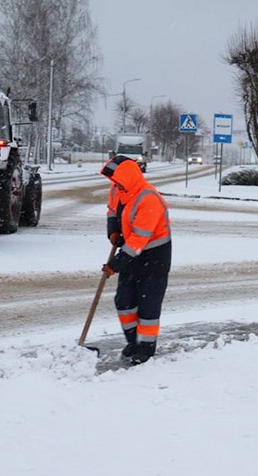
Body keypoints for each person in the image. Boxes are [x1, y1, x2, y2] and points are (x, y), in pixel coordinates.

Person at [99, 156, 172, 365]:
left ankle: (146, 348)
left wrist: (115, 265)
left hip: (154, 254)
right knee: (124, 300)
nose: (114, 183)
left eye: (117, 178)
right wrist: (113, 231)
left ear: (128, 176)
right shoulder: (118, 189)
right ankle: (133, 341)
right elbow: (112, 210)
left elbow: (139, 239)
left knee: (148, 304)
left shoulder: (149, 199)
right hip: (131, 249)